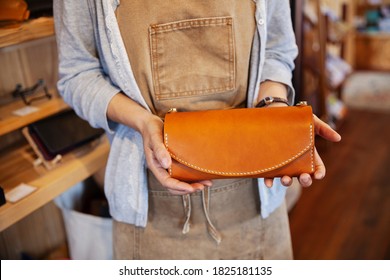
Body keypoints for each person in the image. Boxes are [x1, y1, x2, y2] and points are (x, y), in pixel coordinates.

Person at [53, 0, 341, 260]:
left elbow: (276, 50)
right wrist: (143, 123)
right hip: (150, 203)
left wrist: (274, 107)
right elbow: (78, 74)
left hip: (255, 197)